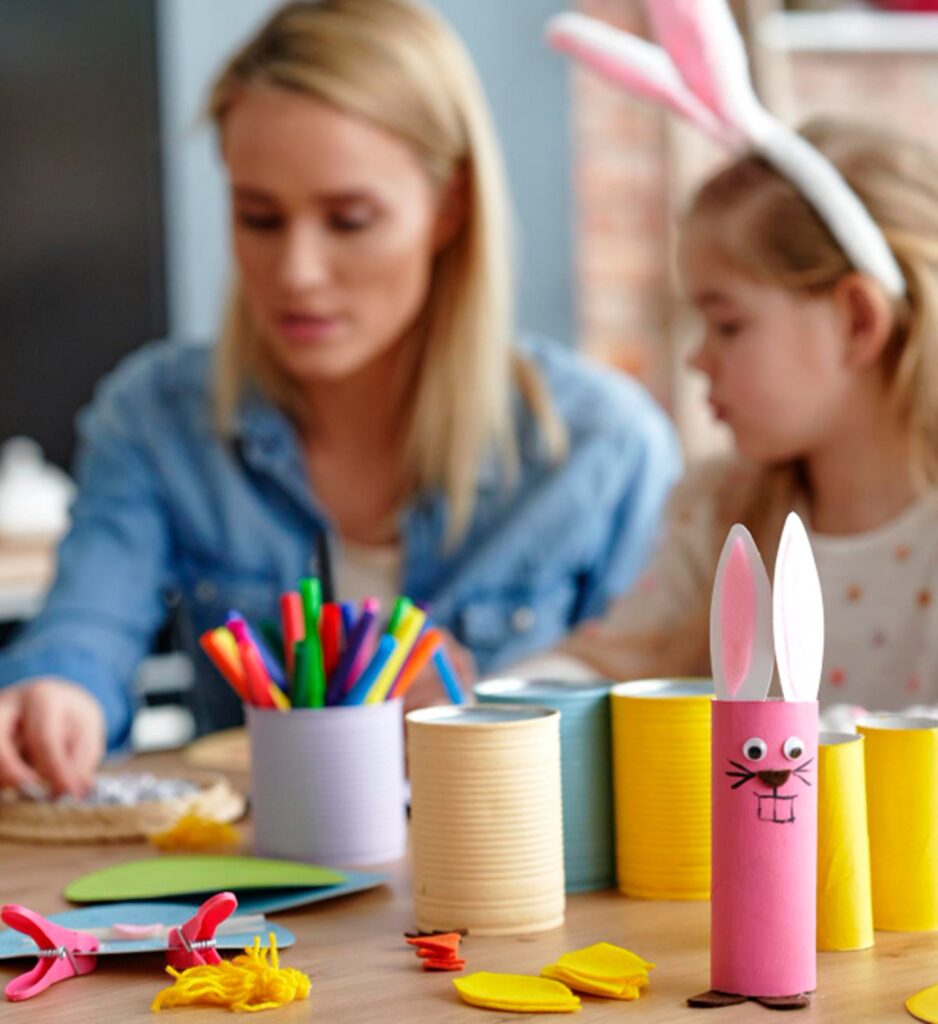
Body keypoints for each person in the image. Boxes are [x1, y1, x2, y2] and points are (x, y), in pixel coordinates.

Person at [0, 0, 679, 795]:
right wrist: (53, 694)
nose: (297, 273)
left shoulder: (601, 448)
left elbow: (655, 738)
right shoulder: (158, 417)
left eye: (349, 220)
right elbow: (88, 629)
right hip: (262, 906)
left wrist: (503, 711)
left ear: (450, 207)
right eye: (258, 218)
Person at [524, 119, 938, 718]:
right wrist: (496, 699)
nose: (697, 357)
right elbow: (614, 662)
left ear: (857, 322)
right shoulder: (717, 512)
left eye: (728, 324)